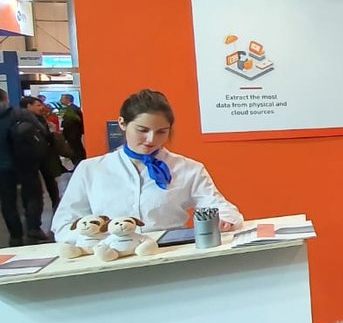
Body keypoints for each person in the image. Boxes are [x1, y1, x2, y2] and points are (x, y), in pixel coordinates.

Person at [52, 90, 243, 241]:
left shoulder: (188, 169)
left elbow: (220, 207)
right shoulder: (90, 170)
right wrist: (99, 239)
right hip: (108, 258)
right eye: (142, 130)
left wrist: (224, 220)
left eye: (161, 132)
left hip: (171, 257)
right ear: (122, 123)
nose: (151, 139)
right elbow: (64, 225)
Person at [0, 90, 50, 246]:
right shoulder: (19, 114)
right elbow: (42, 131)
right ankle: (33, 227)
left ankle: (15, 236)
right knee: (34, 196)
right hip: (26, 163)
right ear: (5, 98)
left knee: (7, 201)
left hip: (2, 167)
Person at [19, 96, 64, 211]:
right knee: (35, 186)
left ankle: (55, 203)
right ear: (29, 106)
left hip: (42, 155)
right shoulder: (25, 122)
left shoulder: (39, 119)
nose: (41, 107)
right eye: (38, 105)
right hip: (32, 157)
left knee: (49, 181)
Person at [59, 93, 85, 162]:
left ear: (67, 99)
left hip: (72, 133)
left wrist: (62, 128)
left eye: (62, 99)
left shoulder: (71, 109)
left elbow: (69, 122)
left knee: (76, 150)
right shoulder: (72, 108)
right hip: (74, 133)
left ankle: (78, 163)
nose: (60, 100)